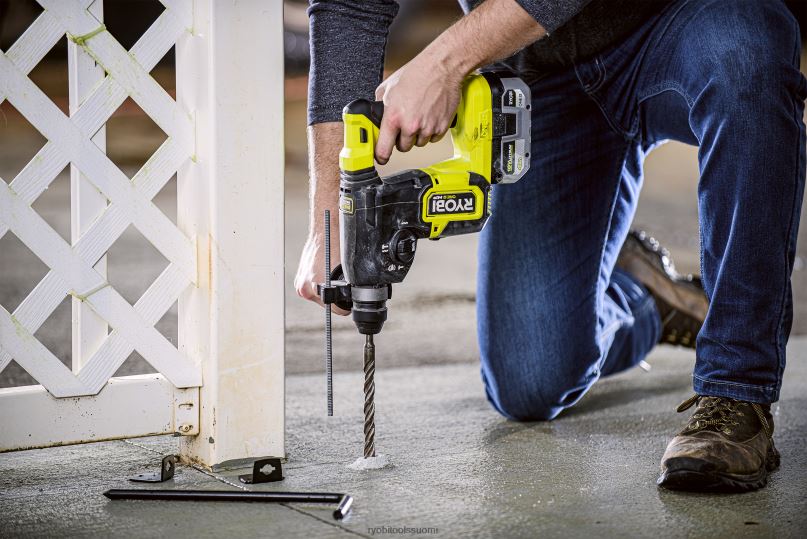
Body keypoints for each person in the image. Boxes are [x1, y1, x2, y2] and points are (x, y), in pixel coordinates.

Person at [294, 0, 806, 492]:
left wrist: (446, 61)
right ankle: (643, 295)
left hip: (682, 24)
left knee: (747, 57)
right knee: (531, 382)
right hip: (539, 73)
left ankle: (736, 391)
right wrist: (329, 220)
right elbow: (349, 7)